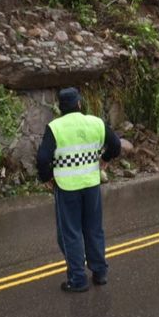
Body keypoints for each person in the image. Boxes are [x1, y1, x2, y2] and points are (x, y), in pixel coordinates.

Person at [37, 87, 121, 293]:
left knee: (71, 233)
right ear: (79, 104)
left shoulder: (55, 127)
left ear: (60, 107)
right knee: (94, 229)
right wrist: (105, 159)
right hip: (91, 185)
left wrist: (47, 177)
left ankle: (78, 279)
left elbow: (42, 158)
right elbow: (116, 144)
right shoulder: (96, 123)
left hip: (67, 188)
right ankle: (100, 273)